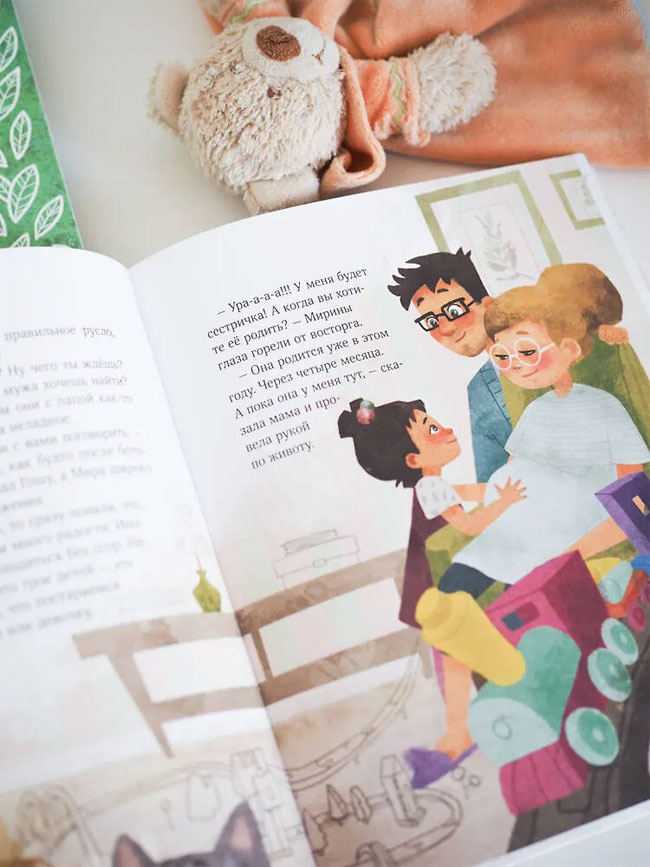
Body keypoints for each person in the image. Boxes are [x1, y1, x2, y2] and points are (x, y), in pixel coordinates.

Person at [338, 398, 527, 768]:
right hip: (445, 582)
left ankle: (462, 730)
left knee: (458, 657)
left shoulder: (436, 484)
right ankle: (468, 727)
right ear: (413, 459)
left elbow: (478, 492)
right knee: (465, 650)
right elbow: (470, 524)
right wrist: (504, 502)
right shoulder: (430, 489)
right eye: (433, 430)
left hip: (452, 576)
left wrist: (506, 479)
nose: (448, 430)